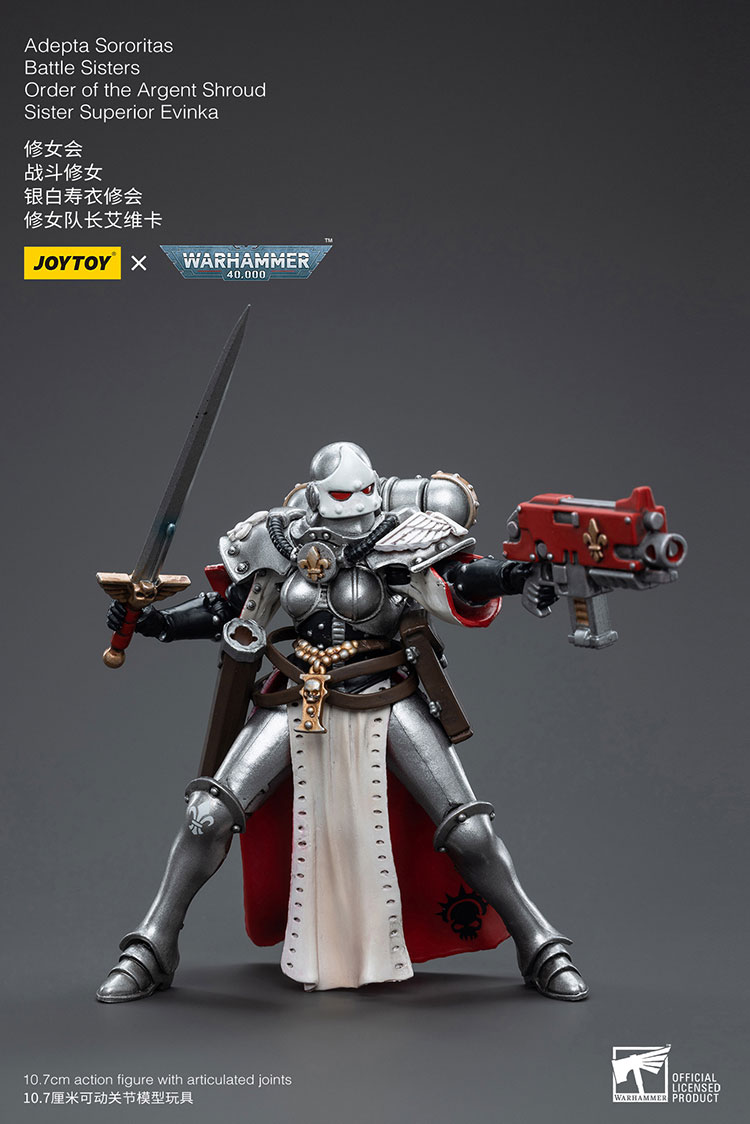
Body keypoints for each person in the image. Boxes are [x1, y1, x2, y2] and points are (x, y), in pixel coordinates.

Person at [97, 441, 588, 1002]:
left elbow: (465, 581)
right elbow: (230, 611)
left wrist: (519, 576)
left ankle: (540, 944)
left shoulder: (404, 534)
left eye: (357, 497)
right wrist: (159, 624)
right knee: (207, 816)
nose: (348, 512)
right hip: (299, 692)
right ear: (313, 496)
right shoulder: (278, 537)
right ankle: (154, 946)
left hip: (386, 693)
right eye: (335, 499)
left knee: (469, 830)